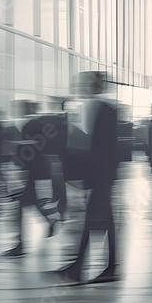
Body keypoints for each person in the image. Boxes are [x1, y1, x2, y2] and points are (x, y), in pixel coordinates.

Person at [59, 72, 120, 283]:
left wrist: (93, 178)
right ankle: (106, 267)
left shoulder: (102, 110)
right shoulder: (97, 108)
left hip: (100, 176)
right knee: (103, 222)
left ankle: (80, 268)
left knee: (94, 220)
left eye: (87, 83)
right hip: (100, 176)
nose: (83, 87)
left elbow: (102, 149)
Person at [4, 100, 63, 257]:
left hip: (31, 171)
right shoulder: (37, 123)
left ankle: (21, 244)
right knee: (29, 203)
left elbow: (31, 149)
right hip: (37, 170)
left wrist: (18, 164)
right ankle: (49, 221)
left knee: (25, 204)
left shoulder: (30, 125)